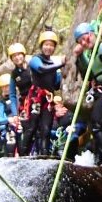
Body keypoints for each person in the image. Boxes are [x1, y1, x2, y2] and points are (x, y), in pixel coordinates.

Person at [72, 21, 102, 167]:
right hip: (100, 93)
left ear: (92, 34)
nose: (84, 42)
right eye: (81, 41)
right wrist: (80, 56)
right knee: (100, 127)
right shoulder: (91, 55)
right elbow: (87, 75)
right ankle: (100, 159)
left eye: (85, 38)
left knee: (97, 125)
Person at [21, 29, 66, 157]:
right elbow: (41, 69)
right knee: (32, 127)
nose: (48, 47)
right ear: (41, 46)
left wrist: (59, 74)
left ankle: (44, 154)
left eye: (51, 45)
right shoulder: (35, 59)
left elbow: (56, 85)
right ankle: (24, 154)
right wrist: (60, 65)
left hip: (48, 98)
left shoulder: (53, 63)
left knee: (46, 128)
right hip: (36, 97)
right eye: (46, 44)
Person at [0, 72, 21, 156]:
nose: (6, 89)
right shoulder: (1, 103)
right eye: (3, 87)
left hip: (22, 125)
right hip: (10, 128)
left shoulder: (20, 97)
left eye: (7, 86)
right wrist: (8, 120)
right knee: (11, 147)